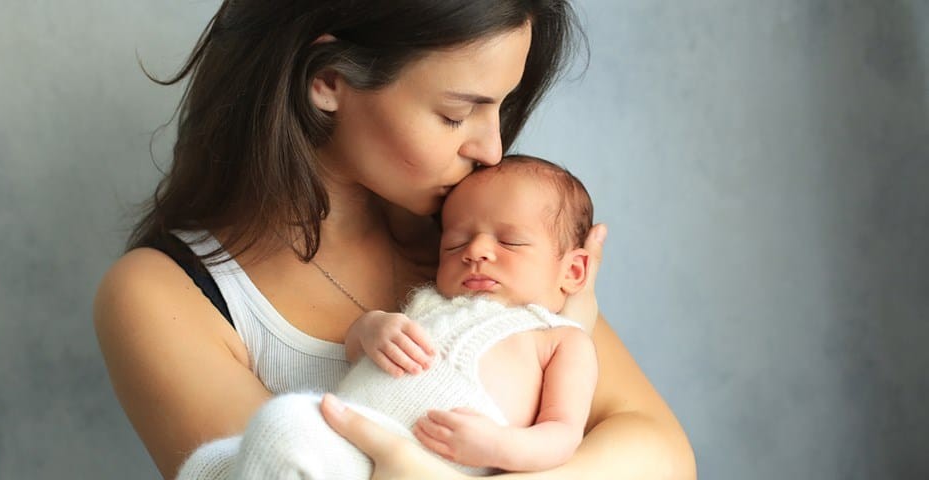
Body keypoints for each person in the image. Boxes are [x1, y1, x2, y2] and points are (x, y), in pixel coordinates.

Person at [93, 1, 697, 479]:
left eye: (502, 109)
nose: (491, 150)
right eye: (457, 114)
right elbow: (280, 461)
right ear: (328, 80)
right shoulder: (166, 294)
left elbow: (662, 454)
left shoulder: (482, 244)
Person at [176, 155, 599, 479]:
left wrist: (500, 447)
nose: (475, 252)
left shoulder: (560, 337)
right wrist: (371, 327)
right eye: (455, 244)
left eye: (509, 242)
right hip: (350, 434)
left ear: (573, 270)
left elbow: (562, 434)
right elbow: (355, 347)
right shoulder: (430, 301)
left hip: (430, 463)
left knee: (282, 424)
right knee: (210, 464)